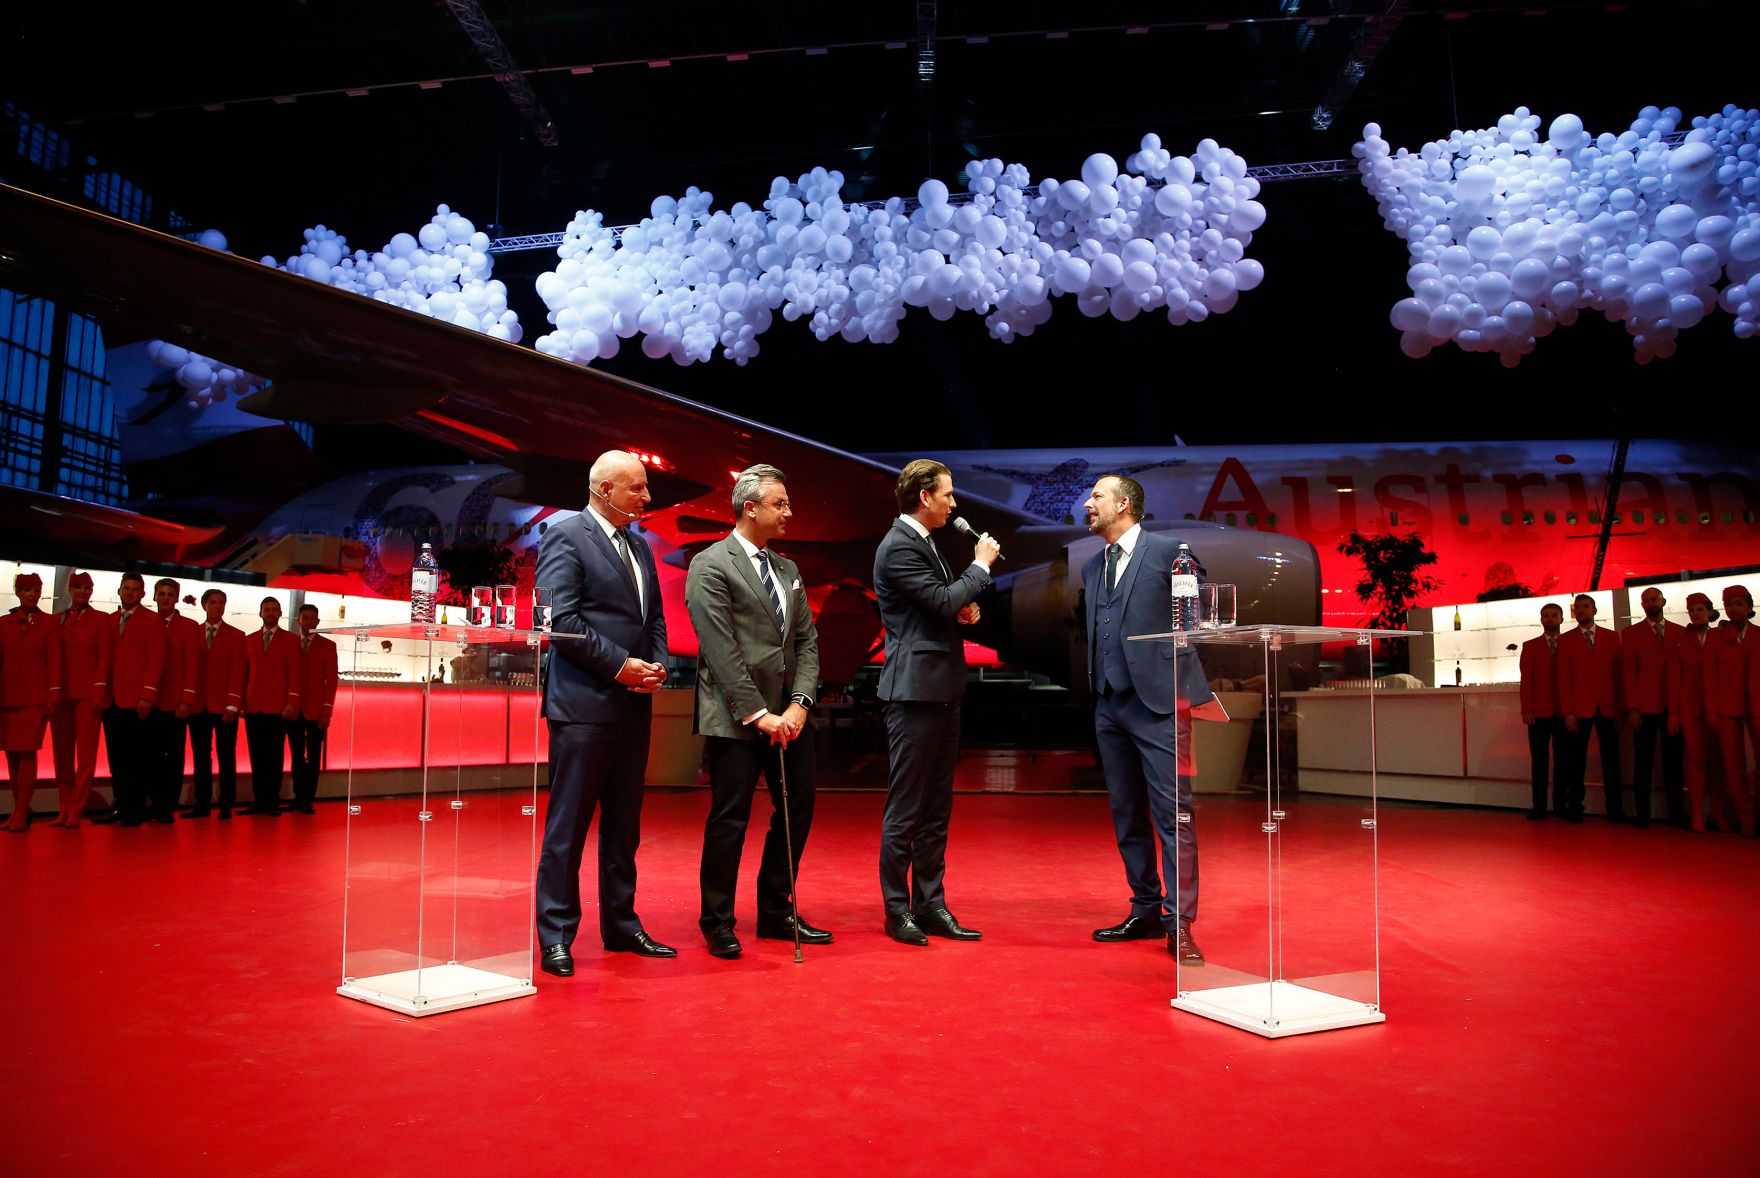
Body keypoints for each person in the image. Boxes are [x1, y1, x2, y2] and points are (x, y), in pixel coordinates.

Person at [534, 450, 674, 977]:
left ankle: (620, 922)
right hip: (584, 706)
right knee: (567, 828)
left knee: (624, 826)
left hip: (631, 705)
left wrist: (656, 666)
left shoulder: (638, 546)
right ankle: (556, 935)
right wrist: (622, 667)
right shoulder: (565, 536)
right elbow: (559, 620)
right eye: (637, 488)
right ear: (605, 489)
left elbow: (652, 618)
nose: (647, 497)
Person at [685, 464, 828, 958]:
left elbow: (807, 643)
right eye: (780, 504)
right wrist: (758, 714)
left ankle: (775, 912)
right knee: (730, 819)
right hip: (736, 720)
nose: (789, 512)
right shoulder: (711, 564)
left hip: (790, 717)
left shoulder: (787, 570)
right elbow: (721, 652)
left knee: (798, 810)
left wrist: (798, 704)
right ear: (751, 508)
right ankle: (717, 921)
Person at [1080, 475, 1216, 964]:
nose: (1088, 504)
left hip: (1162, 703)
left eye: (1096, 496)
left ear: (1124, 503)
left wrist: (1177, 668)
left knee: (1174, 815)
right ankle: (1144, 908)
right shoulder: (1094, 567)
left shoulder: (1169, 552)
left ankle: (1179, 923)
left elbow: (1196, 613)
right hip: (1110, 705)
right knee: (1126, 813)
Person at [873, 458, 999, 946]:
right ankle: (896, 909)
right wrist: (979, 568)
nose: (953, 503)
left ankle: (931, 904)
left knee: (936, 807)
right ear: (924, 497)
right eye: (947, 494)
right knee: (906, 808)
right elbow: (940, 600)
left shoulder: (923, 543)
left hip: (941, 689)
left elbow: (939, 603)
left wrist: (961, 609)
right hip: (912, 692)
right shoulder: (898, 546)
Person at [101, 572, 166, 827]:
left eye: (134, 589)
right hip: (113, 699)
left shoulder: (152, 620)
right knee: (116, 757)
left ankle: (136, 808)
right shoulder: (110, 620)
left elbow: (156, 660)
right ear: (119, 591)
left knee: (138, 758)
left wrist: (147, 696)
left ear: (142, 593)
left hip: (137, 700)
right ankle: (122, 805)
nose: (129, 592)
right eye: (126, 588)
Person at [48, 571, 111, 827]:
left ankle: (78, 807)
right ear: (70, 591)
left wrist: (99, 690)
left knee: (85, 756)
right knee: (61, 755)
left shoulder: (101, 620)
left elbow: (105, 657)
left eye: (87, 588)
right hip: (61, 694)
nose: (82, 592)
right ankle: (64, 805)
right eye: (78, 588)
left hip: (88, 695)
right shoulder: (57, 620)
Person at [1557, 593, 1624, 821]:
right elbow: (1563, 679)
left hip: (1607, 706)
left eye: (1586, 607)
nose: (1582, 611)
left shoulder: (1612, 637)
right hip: (1579, 708)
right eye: (1578, 608)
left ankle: (1615, 809)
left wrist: (1620, 708)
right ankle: (1575, 806)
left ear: (1594, 610)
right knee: (1575, 762)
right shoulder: (1565, 640)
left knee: (1612, 761)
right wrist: (1567, 711)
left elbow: (1618, 676)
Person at [1621, 587, 1685, 827]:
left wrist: (1678, 710)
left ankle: (1676, 813)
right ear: (1642, 604)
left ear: (1663, 601)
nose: (1650, 603)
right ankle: (1642, 814)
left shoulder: (1680, 632)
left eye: (1654, 599)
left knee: (1674, 763)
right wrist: (1633, 708)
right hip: (1644, 709)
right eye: (1646, 600)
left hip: (1673, 707)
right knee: (1643, 762)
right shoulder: (1631, 634)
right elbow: (1629, 673)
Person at [3, 573, 62, 832]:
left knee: (26, 753)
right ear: (18, 592)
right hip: (5, 698)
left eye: (36, 590)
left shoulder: (50, 624)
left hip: (35, 699)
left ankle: (19, 811)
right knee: (11, 756)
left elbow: (55, 662)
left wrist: (53, 695)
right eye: (27, 590)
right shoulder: (3, 624)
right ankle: (20, 809)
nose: (32, 594)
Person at [185, 588, 246, 819]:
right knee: (201, 757)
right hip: (198, 705)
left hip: (224, 707)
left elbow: (238, 672)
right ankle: (202, 803)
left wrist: (232, 705)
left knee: (226, 756)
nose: (217, 606)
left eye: (221, 602)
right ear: (204, 605)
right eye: (213, 602)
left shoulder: (236, 635)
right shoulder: (193, 633)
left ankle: (226, 803)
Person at [1669, 593, 1727, 833]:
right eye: (1692, 610)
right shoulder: (1681, 641)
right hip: (1690, 708)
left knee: (1718, 761)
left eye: (1700, 609)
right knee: (1696, 760)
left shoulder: (1721, 638)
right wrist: (1674, 712)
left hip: (1718, 707)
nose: (1696, 613)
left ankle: (1717, 811)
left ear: (1710, 612)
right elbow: (1674, 679)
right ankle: (1696, 812)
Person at [241, 597, 301, 816]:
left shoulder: (291, 640)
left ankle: (272, 801)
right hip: (253, 706)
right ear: (260, 613)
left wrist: (292, 701)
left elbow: (295, 674)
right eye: (266, 609)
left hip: (278, 707)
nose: (270, 613)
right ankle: (259, 800)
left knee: (275, 757)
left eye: (274, 610)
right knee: (256, 756)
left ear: (280, 613)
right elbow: (244, 673)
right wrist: (241, 701)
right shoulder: (249, 640)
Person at [148, 578, 201, 824]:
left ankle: (167, 804)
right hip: (147, 702)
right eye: (162, 593)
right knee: (150, 755)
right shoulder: (146, 623)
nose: (166, 598)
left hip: (174, 703)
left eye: (170, 594)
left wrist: (186, 699)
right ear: (155, 596)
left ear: (177, 597)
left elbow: (193, 667)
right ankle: (150, 801)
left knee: (174, 757)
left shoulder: (188, 627)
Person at [1705, 584, 1756, 836]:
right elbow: (1710, 676)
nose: (1733, 609)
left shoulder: (1758, 635)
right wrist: (1712, 710)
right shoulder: (1717, 638)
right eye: (1729, 605)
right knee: (1734, 765)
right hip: (1726, 706)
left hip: (1756, 705)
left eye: (1738, 604)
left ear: (1749, 606)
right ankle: (1746, 817)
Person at [1518, 603, 1567, 821]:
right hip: (1538, 712)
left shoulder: (1570, 644)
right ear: (1541, 619)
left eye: (1554, 615)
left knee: (1563, 761)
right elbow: (1526, 682)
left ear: (1561, 619)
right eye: (1546, 616)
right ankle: (1539, 807)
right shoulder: (1530, 646)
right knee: (1539, 761)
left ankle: (1560, 806)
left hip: (1564, 711)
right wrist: (1527, 709)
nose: (1550, 619)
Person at [288, 603, 338, 814]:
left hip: (316, 710)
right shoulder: (289, 644)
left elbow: (331, 681)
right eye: (305, 618)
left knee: (314, 756)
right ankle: (297, 796)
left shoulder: (327, 645)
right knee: (296, 755)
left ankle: (308, 798)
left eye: (312, 618)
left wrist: (326, 711)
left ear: (317, 622)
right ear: (298, 620)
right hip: (293, 709)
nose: (308, 622)